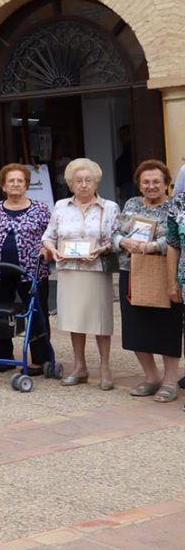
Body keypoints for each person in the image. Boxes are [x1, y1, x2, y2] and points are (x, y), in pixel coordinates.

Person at [0, 164, 54, 376]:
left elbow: (51, 236)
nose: (15, 184)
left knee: (36, 312)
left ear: (26, 184)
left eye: (20, 181)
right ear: (3, 186)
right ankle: (5, 357)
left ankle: (40, 358)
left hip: (32, 270)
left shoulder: (41, 209)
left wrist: (47, 248)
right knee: (0, 314)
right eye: (11, 181)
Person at [42, 158, 119, 389]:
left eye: (89, 180)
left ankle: (105, 367)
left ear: (96, 183)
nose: (84, 185)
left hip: (96, 270)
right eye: (79, 181)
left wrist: (102, 249)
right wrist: (53, 250)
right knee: (75, 319)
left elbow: (116, 239)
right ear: (71, 184)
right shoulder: (60, 207)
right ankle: (80, 366)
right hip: (69, 270)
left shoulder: (110, 207)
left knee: (100, 320)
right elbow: (48, 235)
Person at [115, 160, 180, 400]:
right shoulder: (131, 204)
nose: (151, 186)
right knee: (135, 327)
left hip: (164, 272)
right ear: (139, 186)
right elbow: (116, 234)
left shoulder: (175, 206)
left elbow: (176, 239)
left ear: (166, 184)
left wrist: (152, 246)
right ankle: (152, 377)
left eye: (156, 182)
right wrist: (123, 242)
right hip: (130, 271)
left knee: (167, 327)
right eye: (146, 182)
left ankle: (171, 382)